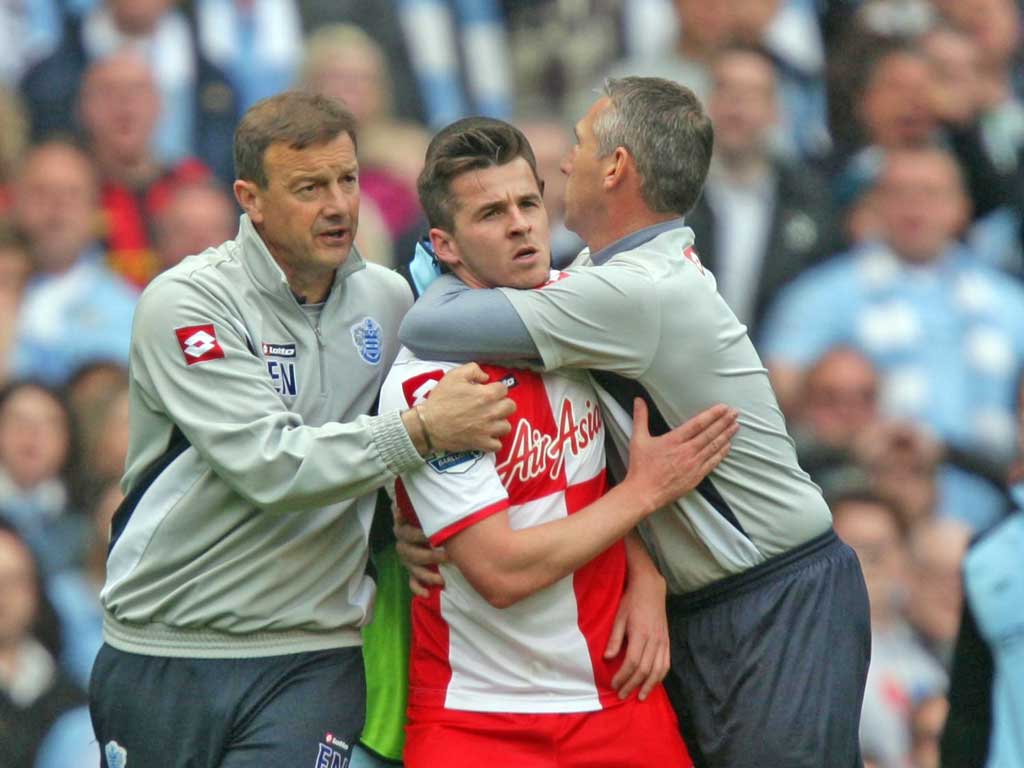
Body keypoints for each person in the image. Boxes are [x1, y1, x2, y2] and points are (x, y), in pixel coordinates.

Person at [398, 77, 871, 768]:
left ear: (615, 167)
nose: (565, 166)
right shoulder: (605, 275)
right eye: (497, 211)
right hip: (718, 598)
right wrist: (396, 515)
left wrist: (436, 267)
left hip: (770, 597)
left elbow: (426, 323)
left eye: (581, 147)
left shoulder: (629, 294)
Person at [87, 91, 518, 768]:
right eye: (309, 187)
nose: (339, 205)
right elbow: (269, 465)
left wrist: (393, 520)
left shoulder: (390, 298)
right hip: (168, 644)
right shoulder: (189, 301)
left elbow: (388, 448)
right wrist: (420, 433)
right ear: (249, 198)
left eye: (347, 180)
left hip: (316, 654)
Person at [382, 117, 737, 768]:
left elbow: (589, 484)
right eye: (491, 213)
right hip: (477, 718)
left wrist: (648, 573)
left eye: (526, 202)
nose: (520, 224)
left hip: (617, 692)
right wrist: (644, 494)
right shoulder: (431, 382)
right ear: (447, 246)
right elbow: (499, 571)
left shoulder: (586, 315)